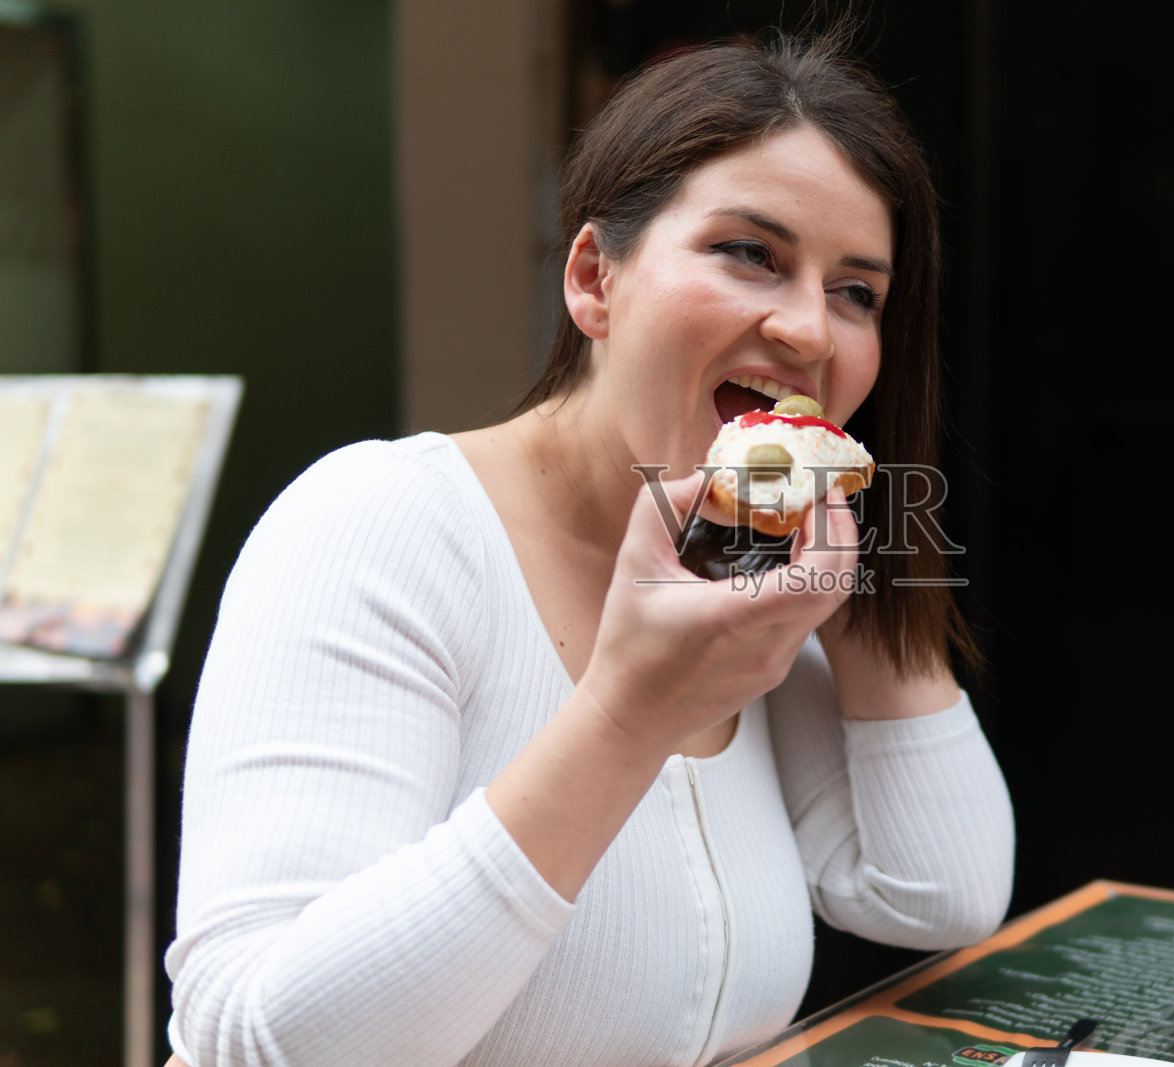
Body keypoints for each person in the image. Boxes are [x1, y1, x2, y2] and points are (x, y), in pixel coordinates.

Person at [164, 27, 1014, 1067]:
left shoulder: (743, 584)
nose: (809, 330)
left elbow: (936, 892)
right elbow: (252, 1040)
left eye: (856, 293)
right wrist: (628, 712)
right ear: (593, 279)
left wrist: (862, 570)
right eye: (750, 252)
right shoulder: (377, 522)